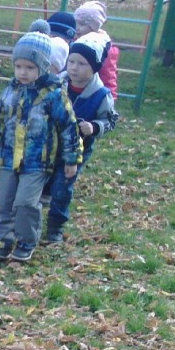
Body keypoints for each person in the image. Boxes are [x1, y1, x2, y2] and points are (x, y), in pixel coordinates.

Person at [0, 31, 82, 263]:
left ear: (43, 67)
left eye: (29, 67)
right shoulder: (10, 92)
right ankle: (1, 242)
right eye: (18, 66)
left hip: (37, 162)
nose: (23, 73)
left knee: (26, 203)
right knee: (3, 202)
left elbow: (69, 127)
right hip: (9, 159)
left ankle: (26, 241)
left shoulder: (53, 95)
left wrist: (71, 158)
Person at [43, 32, 119, 245]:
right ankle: (29, 213)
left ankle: (55, 226)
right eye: (71, 61)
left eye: (82, 64)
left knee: (62, 187)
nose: (74, 68)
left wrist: (94, 127)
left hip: (76, 151)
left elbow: (110, 120)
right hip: (48, 146)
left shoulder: (101, 95)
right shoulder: (57, 84)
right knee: (42, 179)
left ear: (94, 68)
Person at [74, 1, 119, 100]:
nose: (76, 28)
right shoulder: (74, 42)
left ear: (94, 27)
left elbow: (108, 77)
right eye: (75, 23)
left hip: (93, 95)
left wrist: (110, 98)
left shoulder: (105, 49)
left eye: (82, 24)